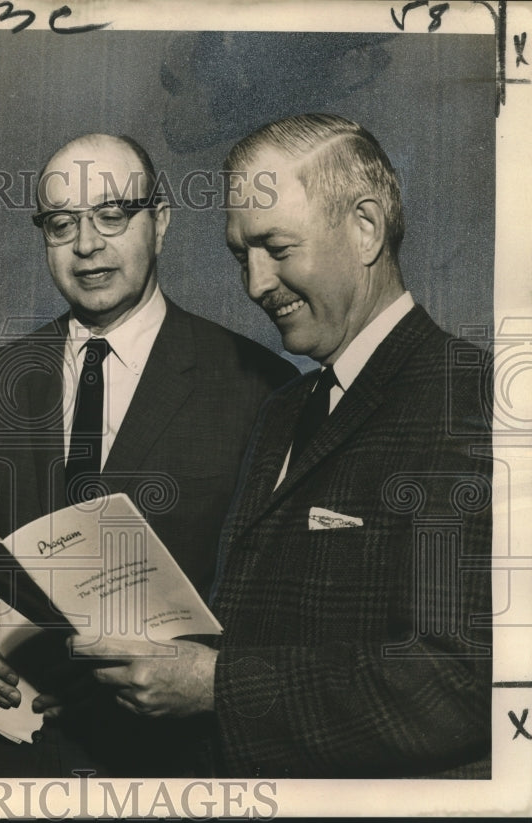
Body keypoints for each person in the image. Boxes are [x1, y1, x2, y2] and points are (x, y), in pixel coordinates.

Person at [73, 114, 493, 778]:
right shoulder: (284, 409)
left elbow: (462, 680)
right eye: (243, 255)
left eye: (276, 247)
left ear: (366, 228)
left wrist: (218, 684)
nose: (256, 284)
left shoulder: (469, 400)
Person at [0, 133, 297, 776]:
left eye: (112, 216)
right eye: (62, 224)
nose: (87, 245)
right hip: (17, 763)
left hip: (172, 766)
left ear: (159, 223)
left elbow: (278, 604)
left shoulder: (259, 387)